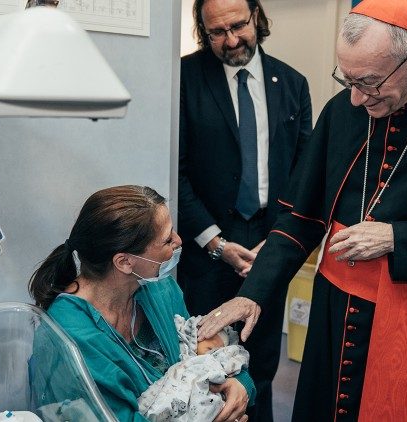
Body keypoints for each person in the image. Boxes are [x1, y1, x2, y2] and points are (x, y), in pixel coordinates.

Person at [197, 0, 407, 420]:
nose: (356, 98)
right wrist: (252, 296)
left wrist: (400, 238)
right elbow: (300, 221)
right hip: (334, 312)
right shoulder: (344, 110)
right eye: (348, 79)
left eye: (371, 82)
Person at [177, 0, 312, 419]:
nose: (231, 39)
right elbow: (174, 172)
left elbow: (303, 178)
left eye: (239, 26)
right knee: (204, 366)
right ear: (203, 30)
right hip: (206, 248)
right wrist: (215, 242)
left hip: (268, 247)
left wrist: (277, 248)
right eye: (217, 32)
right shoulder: (183, 78)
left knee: (263, 365)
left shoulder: (292, 83)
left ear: (257, 16)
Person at [28, 185, 255, 422]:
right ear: (125, 262)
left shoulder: (158, 288)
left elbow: (200, 353)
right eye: (167, 239)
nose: (178, 241)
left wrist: (241, 386)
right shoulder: (71, 338)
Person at [138, 315, 253, 421]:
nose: (216, 346)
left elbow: (238, 369)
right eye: (210, 339)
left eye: (221, 346)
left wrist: (243, 382)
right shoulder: (181, 349)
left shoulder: (219, 360)